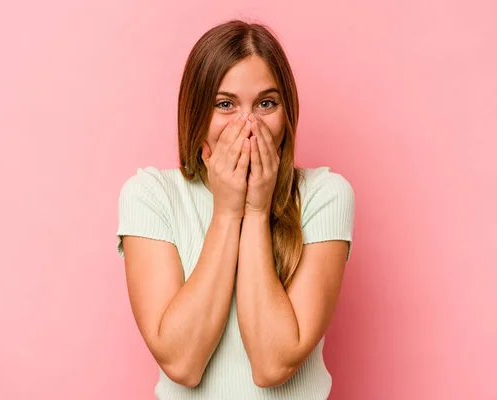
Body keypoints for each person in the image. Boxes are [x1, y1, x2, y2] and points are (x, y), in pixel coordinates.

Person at [116, 19, 355, 400]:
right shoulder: (151, 195)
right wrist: (227, 213)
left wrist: (256, 211)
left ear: (286, 112)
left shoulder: (324, 195)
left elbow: (273, 363)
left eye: (266, 103)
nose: (248, 124)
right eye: (225, 104)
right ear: (196, 114)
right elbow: (182, 364)